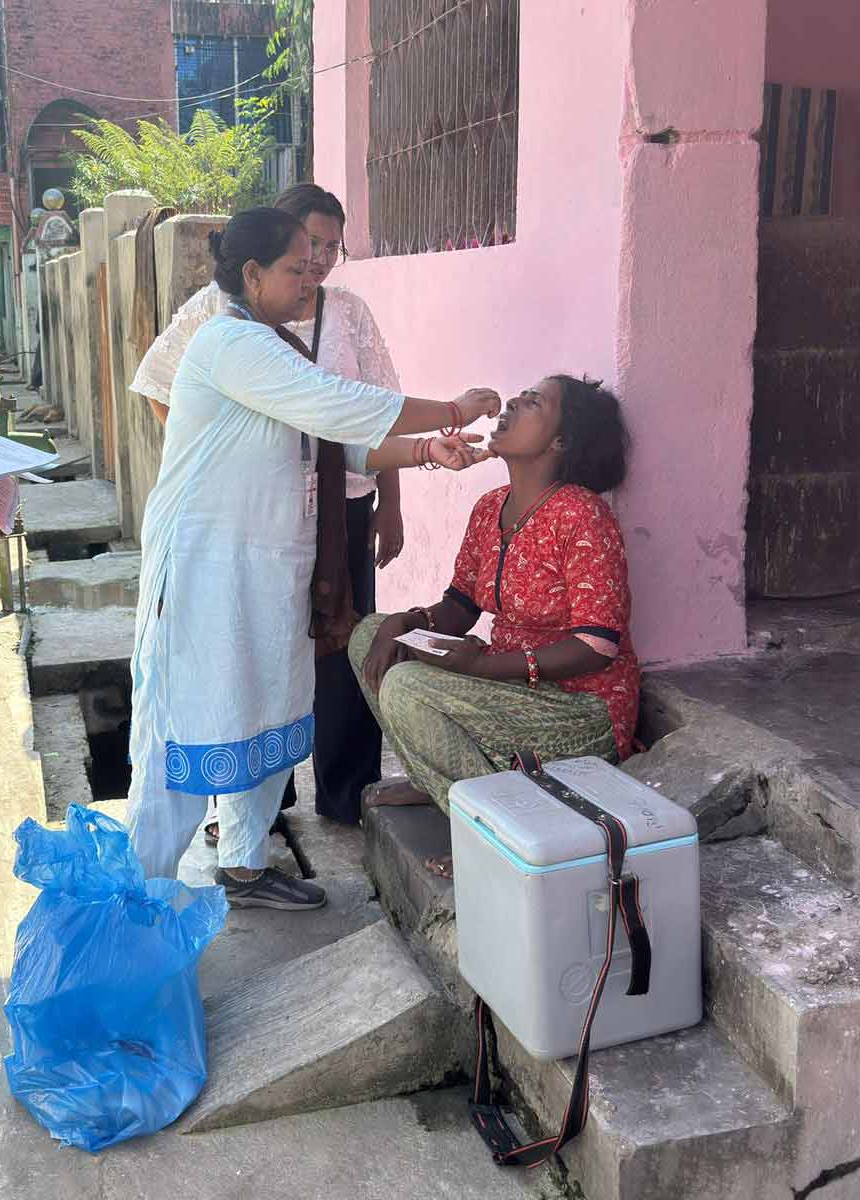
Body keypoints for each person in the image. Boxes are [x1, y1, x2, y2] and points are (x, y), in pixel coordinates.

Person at [124, 206, 499, 908]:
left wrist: (424, 452)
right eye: (296, 267)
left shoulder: (277, 347)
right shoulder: (228, 343)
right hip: (207, 567)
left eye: (317, 263)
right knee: (182, 729)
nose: (311, 279)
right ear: (253, 274)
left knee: (263, 708)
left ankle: (243, 864)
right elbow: (338, 406)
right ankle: (138, 901)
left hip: (267, 568)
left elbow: (339, 444)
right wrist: (449, 409)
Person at [131, 183, 405, 831]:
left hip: (336, 517)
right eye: (308, 248)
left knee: (335, 656)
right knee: (249, 662)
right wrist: (222, 468)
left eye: (332, 250)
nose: (318, 264)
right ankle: (254, 816)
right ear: (271, 251)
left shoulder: (347, 314)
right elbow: (159, 383)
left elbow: (375, 415)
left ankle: (341, 798)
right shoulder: (223, 321)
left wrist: (395, 498)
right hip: (254, 529)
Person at [350, 375, 639, 879]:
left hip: (578, 706)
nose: (512, 403)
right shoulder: (490, 508)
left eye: (534, 403)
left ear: (560, 442)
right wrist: (407, 621)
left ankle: (495, 837)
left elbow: (598, 645)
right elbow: (461, 608)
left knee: (408, 687)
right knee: (368, 636)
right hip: (507, 685)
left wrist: (487, 665)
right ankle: (433, 775)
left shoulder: (581, 515)